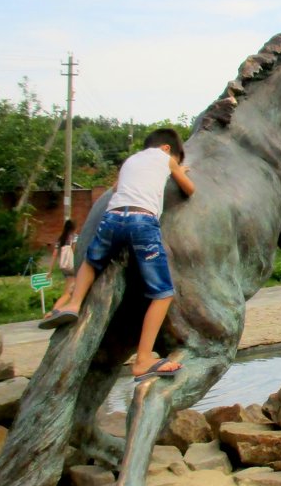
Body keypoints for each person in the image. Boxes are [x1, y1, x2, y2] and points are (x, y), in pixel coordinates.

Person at [38, 128, 196, 382]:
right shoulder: (166, 159)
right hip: (142, 221)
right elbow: (190, 190)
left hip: (112, 218)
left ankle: (74, 303)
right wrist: (179, 173)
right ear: (168, 149)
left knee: (91, 261)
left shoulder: (130, 162)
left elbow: (115, 188)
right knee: (163, 293)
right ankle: (144, 359)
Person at [47, 218, 78, 312]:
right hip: (72, 267)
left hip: (64, 267)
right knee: (68, 293)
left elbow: (54, 255)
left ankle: (63, 310)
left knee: (69, 291)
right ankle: (54, 311)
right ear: (74, 228)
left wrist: (50, 271)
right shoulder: (75, 237)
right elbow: (74, 251)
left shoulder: (61, 239)